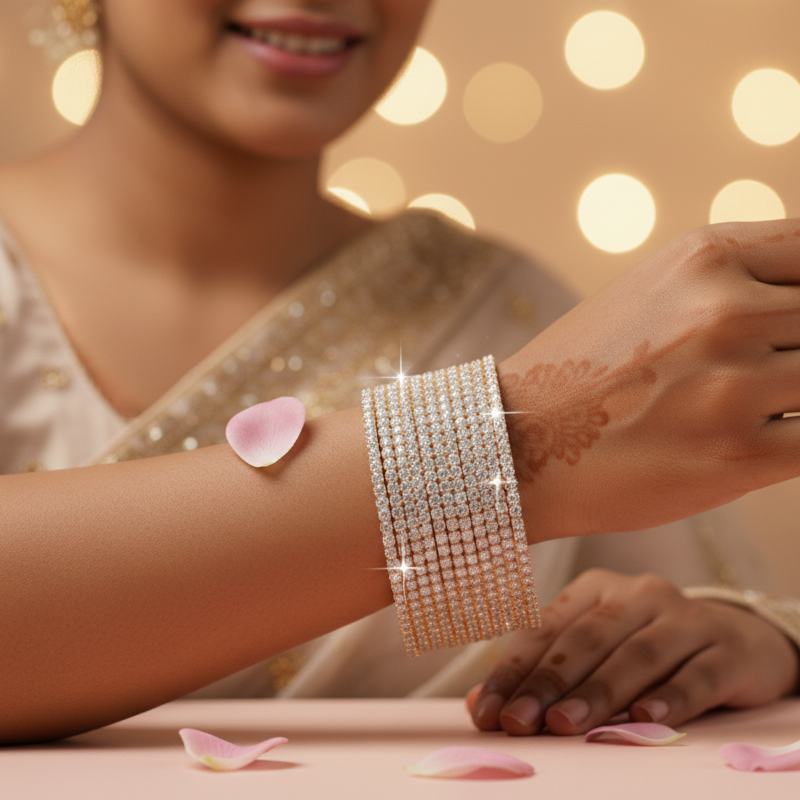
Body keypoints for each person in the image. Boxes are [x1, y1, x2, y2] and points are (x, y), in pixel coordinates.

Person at [0, 0, 798, 744]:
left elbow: (704, 616)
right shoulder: (558, 367)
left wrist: (741, 639)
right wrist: (518, 437)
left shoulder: (518, 317)